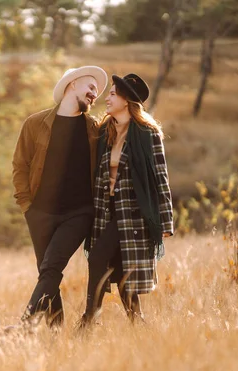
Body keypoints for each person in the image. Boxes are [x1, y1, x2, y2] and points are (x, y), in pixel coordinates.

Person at [11, 66, 108, 328]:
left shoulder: (95, 129)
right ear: (72, 84)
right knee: (47, 273)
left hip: (78, 213)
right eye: (90, 88)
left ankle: (26, 325)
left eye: (96, 92)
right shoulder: (35, 124)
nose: (94, 95)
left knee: (52, 267)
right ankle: (56, 332)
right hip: (39, 213)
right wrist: (27, 207)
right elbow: (20, 165)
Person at [79, 73, 173, 326]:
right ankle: (138, 324)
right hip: (105, 212)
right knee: (121, 271)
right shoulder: (104, 131)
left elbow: (160, 178)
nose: (107, 98)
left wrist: (165, 222)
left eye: (112, 93)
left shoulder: (147, 134)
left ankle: (89, 319)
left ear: (126, 100)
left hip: (133, 216)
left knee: (98, 257)